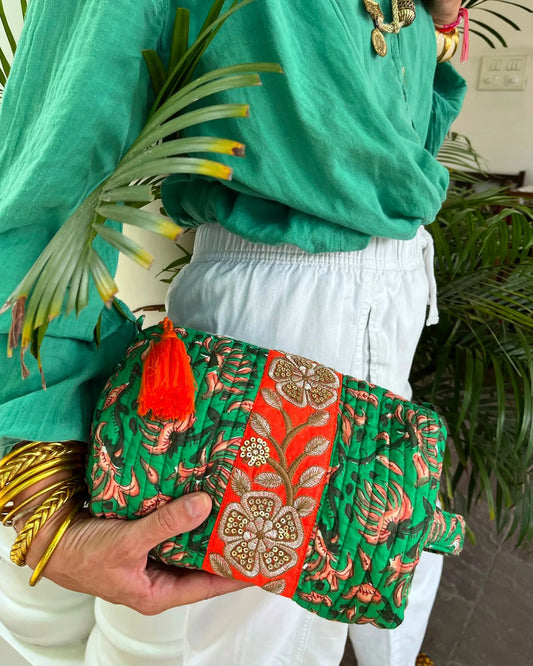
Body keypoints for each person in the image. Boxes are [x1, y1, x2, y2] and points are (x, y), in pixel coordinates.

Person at [0, 1, 466, 665]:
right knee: (236, 644)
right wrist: (37, 479)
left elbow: (398, 145)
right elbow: (54, 165)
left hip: (389, 295)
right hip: (273, 322)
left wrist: (437, 26)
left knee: (367, 596)